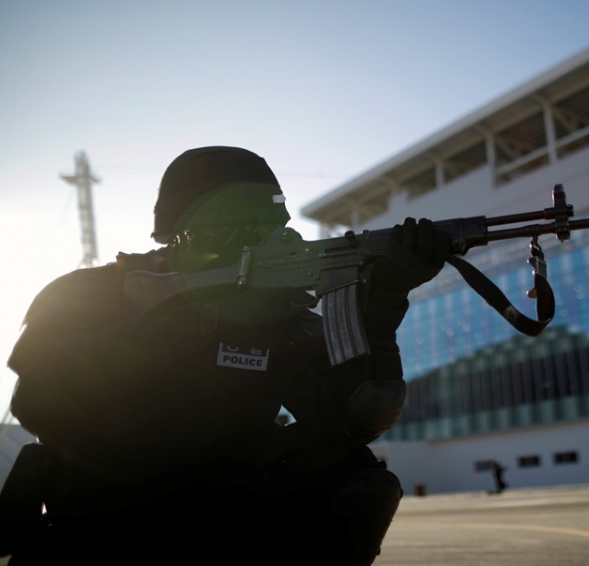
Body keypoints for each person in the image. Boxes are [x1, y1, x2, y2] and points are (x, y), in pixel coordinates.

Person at [0, 146, 448, 564]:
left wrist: (380, 310)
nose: (262, 240)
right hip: (104, 504)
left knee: (359, 480)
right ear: (180, 234)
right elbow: (42, 405)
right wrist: (194, 325)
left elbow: (351, 422)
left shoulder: (277, 311)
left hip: (222, 496)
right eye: (239, 228)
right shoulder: (91, 292)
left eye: (272, 226)